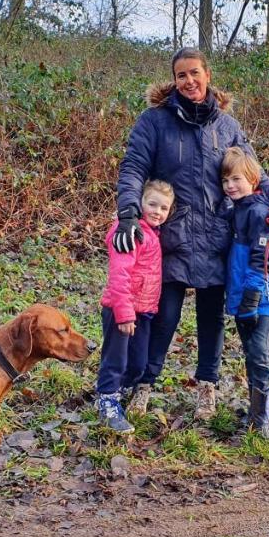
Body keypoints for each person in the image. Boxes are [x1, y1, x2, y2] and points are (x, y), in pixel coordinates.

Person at [114, 47, 269, 420]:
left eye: (194, 73)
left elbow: (253, 173)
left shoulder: (227, 127)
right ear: (173, 80)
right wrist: (129, 213)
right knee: (163, 317)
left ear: (207, 75)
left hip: (218, 237)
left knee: (211, 320)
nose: (189, 81)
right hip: (172, 238)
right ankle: (144, 386)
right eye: (181, 75)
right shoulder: (154, 122)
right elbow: (132, 167)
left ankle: (206, 390)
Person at [96, 180, 174, 433]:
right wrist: (124, 314)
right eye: (152, 204)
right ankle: (107, 399)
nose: (157, 211)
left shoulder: (153, 233)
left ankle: (118, 390)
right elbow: (120, 276)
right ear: (139, 203)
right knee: (115, 359)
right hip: (122, 310)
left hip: (143, 311)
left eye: (164, 208)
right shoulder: (130, 232)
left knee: (138, 363)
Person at [220, 147, 269, 438]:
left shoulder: (258, 211)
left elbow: (264, 257)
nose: (230, 186)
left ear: (252, 179)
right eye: (225, 181)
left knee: (259, 353)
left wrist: (252, 296)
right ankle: (254, 413)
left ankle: (262, 421)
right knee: (250, 353)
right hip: (241, 294)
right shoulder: (238, 209)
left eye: (236, 179)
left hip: (260, 297)